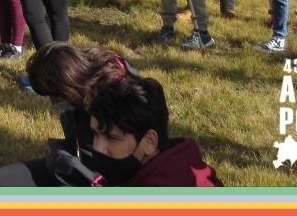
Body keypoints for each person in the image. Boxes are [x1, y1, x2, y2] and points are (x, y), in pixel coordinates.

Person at [0, 43, 137, 186]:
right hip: (73, 169)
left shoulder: (119, 101)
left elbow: (114, 171)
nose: (53, 102)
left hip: (94, 181)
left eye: (54, 96)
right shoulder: (85, 86)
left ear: (68, 86)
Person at [85, 77, 223, 186]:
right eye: (95, 134)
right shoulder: (180, 161)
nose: (98, 148)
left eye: (111, 137)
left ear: (149, 141)